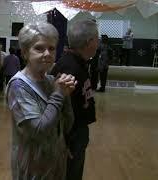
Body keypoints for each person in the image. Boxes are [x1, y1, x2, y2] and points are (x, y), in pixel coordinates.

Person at [6, 22, 76, 180]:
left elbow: (66, 124)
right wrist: (59, 94)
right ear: (25, 52)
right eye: (39, 48)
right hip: (31, 168)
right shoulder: (18, 85)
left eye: (51, 48)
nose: (47, 53)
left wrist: (66, 94)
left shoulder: (51, 81)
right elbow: (38, 131)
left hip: (54, 163)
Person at [51, 19, 98, 180]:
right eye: (97, 38)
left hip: (77, 133)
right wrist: (63, 142)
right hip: (70, 137)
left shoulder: (79, 63)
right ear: (89, 42)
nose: (98, 42)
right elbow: (58, 109)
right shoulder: (69, 68)